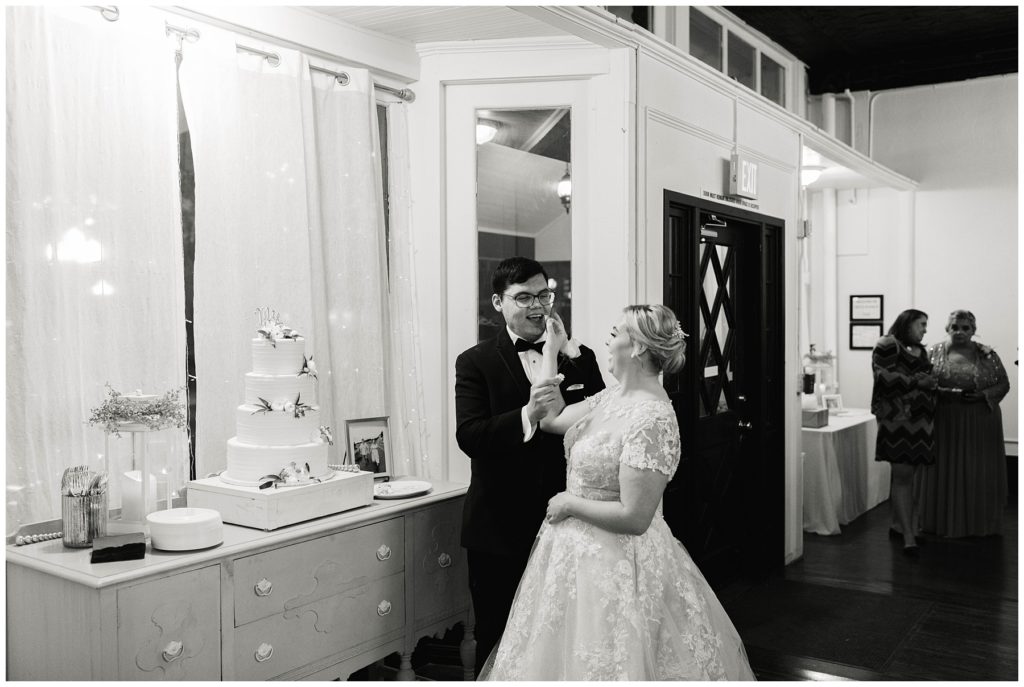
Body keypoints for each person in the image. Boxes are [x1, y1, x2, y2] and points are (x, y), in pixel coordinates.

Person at [480, 305, 754, 680]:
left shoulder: (652, 417)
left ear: (638, 347)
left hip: (620, 562)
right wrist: (550, 351)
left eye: (616, 331)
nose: (608, 339)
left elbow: (636, 517)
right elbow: (551, 419)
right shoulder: (611, 398)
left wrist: (569, 502)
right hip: (570, 556)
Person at [454, 256, 606, 676]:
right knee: (499, 634)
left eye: (543, 295)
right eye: (523, 297)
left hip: (568, 522)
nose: (537, 305)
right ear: (498, 303)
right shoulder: (474, 362)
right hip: (499, 528)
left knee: (561, 634)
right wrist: (526, 415)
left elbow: (599, 424)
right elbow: (470, 436)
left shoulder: (581, 358)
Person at [918, 310, 1010, 537]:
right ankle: (938, 521)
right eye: (955, 327)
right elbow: (919, 382)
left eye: (965, 328)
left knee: (976, 469)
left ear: (974, 330)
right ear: (947, 329)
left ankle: (977, 522)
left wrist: (982, 395)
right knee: (942, 467)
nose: (959, 332)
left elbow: (1004, 384)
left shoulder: (988, 355)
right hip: (944, 420)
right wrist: (941, 392)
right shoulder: (932, 353)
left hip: (979, 422)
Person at [870, 309, 937, 556]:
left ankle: (900, 526)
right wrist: (917, 381)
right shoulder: (887, 344)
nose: (925, 329)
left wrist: (927, 380)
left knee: (910, 477)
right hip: (897, 421)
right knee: (902, 476)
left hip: (920, 422)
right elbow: (884, 378)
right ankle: (909, 537)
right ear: (907, 323)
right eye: (922, 324)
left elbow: (926, 378)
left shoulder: (921, 350)